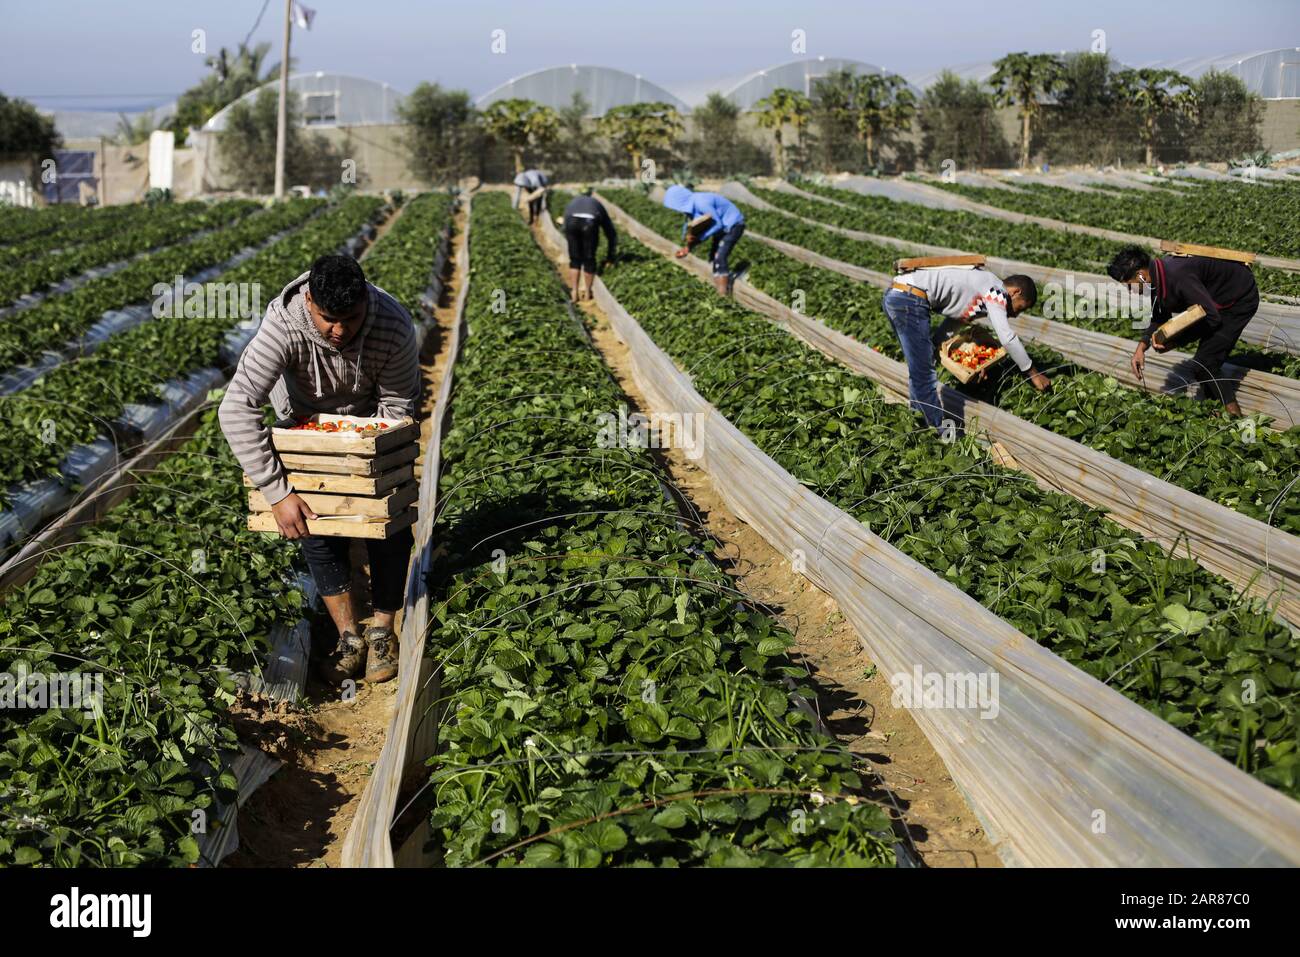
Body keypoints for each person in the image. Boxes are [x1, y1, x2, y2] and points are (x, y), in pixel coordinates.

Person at [218, 254, 421, 686]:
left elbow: (397, 410)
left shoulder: (394, 325)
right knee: (315, 520)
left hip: (372, 419)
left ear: (366, 299)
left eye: (351, 318)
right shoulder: (283, 326)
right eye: (329, 319)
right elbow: (236, 407)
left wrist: (369, 462)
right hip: (305, 422)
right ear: (309, 300)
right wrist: (277, 492)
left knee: (390, 513)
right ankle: (350, 636)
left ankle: (383, 628)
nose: (340, 330)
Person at [881, 266, 1050, 430]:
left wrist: (971, 365)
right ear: (1015, 292)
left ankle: (919, 423)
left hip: (897, 294)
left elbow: (949, 328)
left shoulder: (979, 292)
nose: (1015, 315)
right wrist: (1033, 374)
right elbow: (1007, 338)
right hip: (909, 298)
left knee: (920, 367)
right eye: (1019, 308)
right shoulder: (997, 290)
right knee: (923, 373)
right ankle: (940, 432)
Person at [1108, 245, 1257, 416]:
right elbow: (1159, 315)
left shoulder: (1177, 275)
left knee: (1206, 362)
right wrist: (1141, 348)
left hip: (1239, 299)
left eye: (1129, 285)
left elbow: (1211, 317)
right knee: (1203, 362)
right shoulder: (1155, 278)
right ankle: (1217, 413)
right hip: (1215, 302)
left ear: (1141, 275)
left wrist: (1176, 341)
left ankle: (1234, 418)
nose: (1130, 291)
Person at [662, 184, 745, 297]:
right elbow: (698, 229)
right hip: (722, 229)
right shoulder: (691, 209)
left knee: (719, 258)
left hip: (733, 225)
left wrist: (700, 238)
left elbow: (717, 224)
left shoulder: (701, 202)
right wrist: (688, 248)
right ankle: (722, 288)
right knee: (713, 259)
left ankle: (723, 297)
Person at [562, 188, 617, 302]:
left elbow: (565, 222)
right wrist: (610, 255)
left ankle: (574, 292)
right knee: (589, 259)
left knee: (575, 259)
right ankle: (587, 292)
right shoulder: (596, 203)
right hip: (589, 223)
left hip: (572, 222)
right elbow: (610, 231)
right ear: (591, 194)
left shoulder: (573, 202)